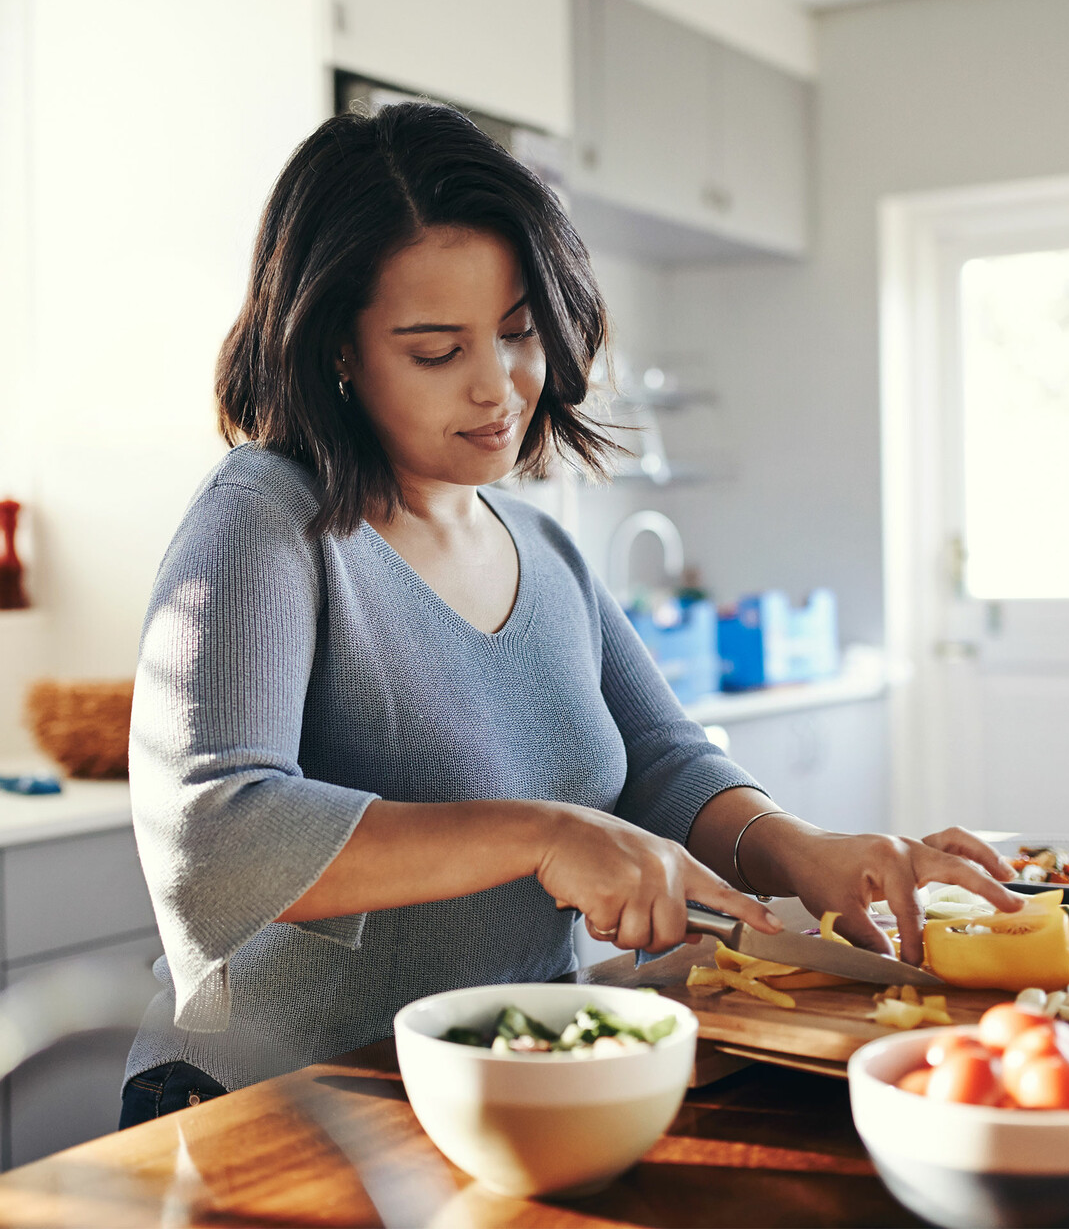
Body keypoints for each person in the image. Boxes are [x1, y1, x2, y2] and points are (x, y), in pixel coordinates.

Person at [120, 101, 1020, 1126]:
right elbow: (210, 831)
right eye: (433, 350)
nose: (499, 387)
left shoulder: (538, 545)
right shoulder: (262, 519)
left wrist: (800, 851)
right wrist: (541, 832)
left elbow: (664, 765)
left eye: (517, 332)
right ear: (336, 348)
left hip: (494, 1092)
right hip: (276, 1105)